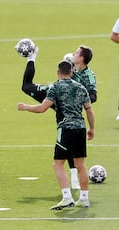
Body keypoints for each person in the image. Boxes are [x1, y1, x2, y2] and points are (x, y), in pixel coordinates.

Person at [18, 60, 95, 210]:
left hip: (65, 129)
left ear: (57, 72)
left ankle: (67, 197)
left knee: (58, 164)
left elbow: (42, 108)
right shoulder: (81, 87)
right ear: (71, 72)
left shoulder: (55, 87)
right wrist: (91, 128)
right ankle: (84, 198)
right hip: (80, 128)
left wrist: (25, 107)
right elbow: (89, 110)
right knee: (80, 165)